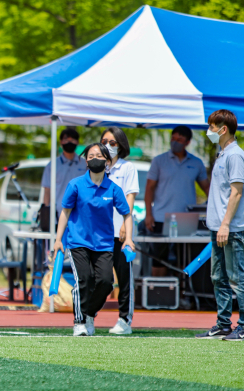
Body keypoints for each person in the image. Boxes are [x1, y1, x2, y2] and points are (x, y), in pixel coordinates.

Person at [53, 143, 134, 337]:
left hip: (104, 244)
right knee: (84, 280)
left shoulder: (113, 188)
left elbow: (127, 214)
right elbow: (65, 212)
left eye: (99, 155)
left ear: (107, 161)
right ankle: (79, 322)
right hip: (78, 242)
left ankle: (89, 313)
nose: (95, 158)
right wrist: (58, 241)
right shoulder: (75, 185)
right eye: (91, 155)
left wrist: (128, 239)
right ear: (86, 161)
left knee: (106, 282)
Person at [196, 110, 244, 341]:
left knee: (237, 277)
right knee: (218, 277)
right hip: (219, 227)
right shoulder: (222, 154)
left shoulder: (235, 155)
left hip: (232, 228)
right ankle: (223, 324)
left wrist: (225, 225)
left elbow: (237, 192)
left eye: (212, 127)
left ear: (223, 129)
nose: (208, 131)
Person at [144, 126, 210, 276]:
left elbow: (207, 188)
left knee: (184, 258)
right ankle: (159, 294)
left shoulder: (196, 163)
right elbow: (149, 188)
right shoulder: (159, 161)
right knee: (159, 258)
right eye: (173, 139)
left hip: (185, 218)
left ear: (187, 142)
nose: (175, 142)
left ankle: (183, 295)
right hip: (160, 217)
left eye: (179, 140)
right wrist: (149, 214)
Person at [101, 127, 138, 335]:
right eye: (104, 141)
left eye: (113, 143)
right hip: (100, 232)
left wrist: (126, 226)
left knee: (124, 277)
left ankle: (125, 320)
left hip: (122, 231)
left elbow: (130, 197)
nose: (108, 146)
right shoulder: (98, 167)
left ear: (121, 145)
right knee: (102, 277)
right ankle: (89, 314)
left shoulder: (127, 168)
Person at [41, 128, 87, 223]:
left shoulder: (84, 164)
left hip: (80, 214)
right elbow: (47, 190)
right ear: (61, 142)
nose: (69, 143)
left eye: (72, 140)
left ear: (77, 142)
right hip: (57, 214)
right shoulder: (52, 165)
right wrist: (46, 211)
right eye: (66, 140)